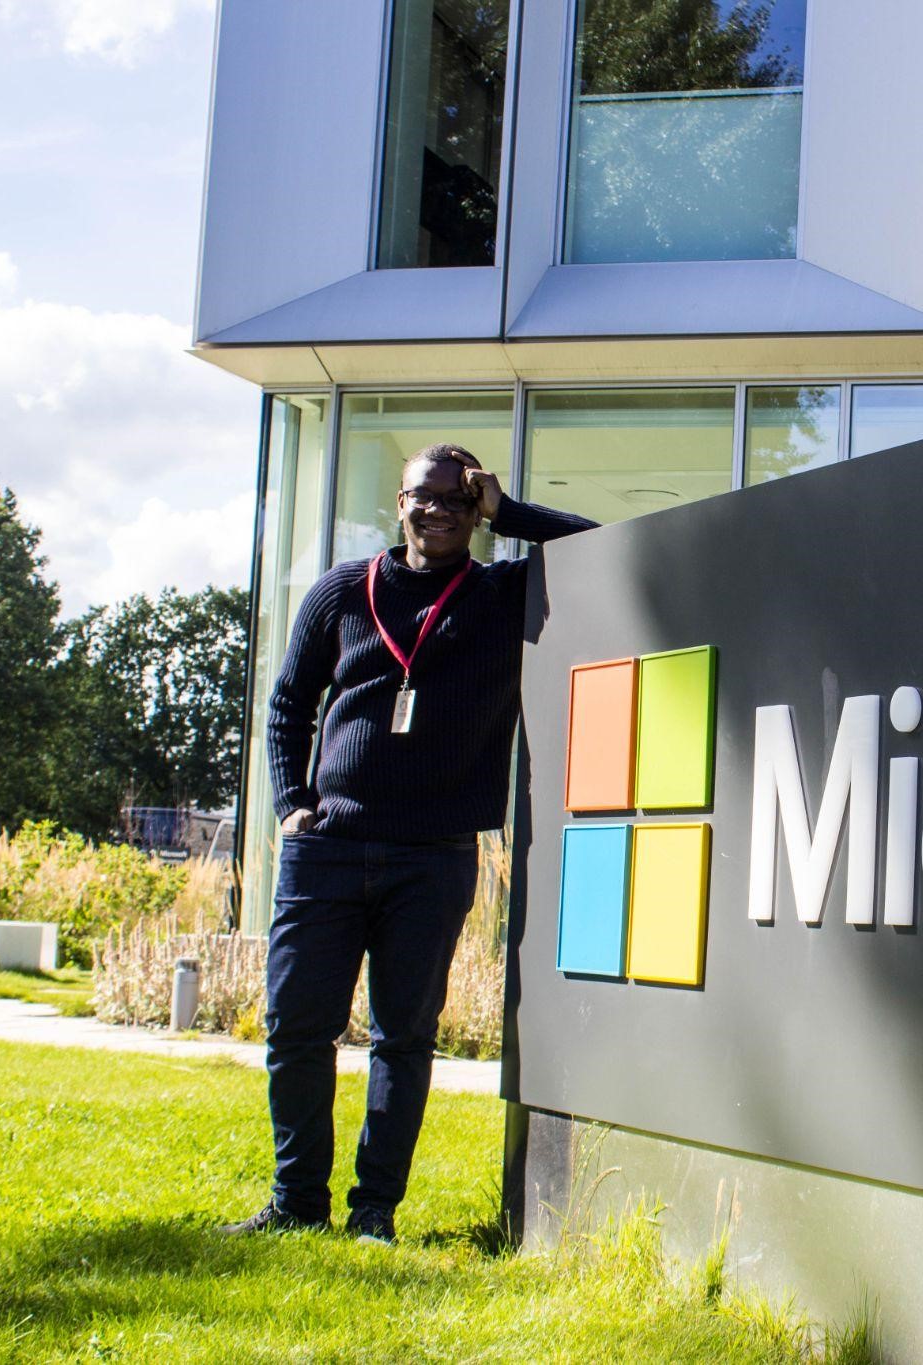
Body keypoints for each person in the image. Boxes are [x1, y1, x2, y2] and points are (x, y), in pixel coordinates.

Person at [221, 443, 594, 1243]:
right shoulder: (340, 593)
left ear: (475, 511)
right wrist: (292, 807)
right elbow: (287, 705)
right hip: (327, 847)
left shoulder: (501, 593)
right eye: (428, 497)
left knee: (404, 1036)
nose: (442, 511)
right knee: (295, 1027)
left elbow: (598, 548)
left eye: (461, 501)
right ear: (401, 502)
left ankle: (373, 1212)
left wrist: (510, 510)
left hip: (434, 854)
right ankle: (297, 1203)